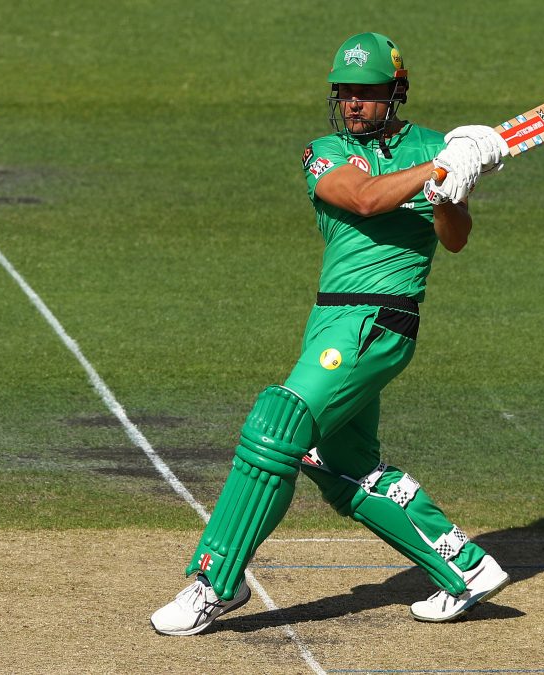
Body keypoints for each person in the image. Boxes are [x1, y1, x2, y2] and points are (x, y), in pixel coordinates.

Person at [151, 32, 511, 636]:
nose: (352, 103)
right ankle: (465, 568)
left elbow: (454, 238)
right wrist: (439, 168)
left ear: (395, 92)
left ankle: (216, 582)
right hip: (331, 319)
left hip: (378, 320)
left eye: (365, 92)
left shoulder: (437, 147)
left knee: (277, 427)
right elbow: (364, 200)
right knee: (339, 462)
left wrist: (451, 192)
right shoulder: (324, 152)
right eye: (344, 92)